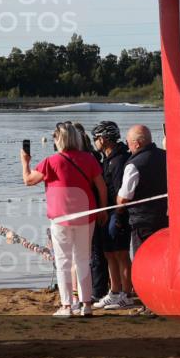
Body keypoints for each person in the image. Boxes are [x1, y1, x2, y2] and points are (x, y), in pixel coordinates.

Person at [21, 122, 107, 318]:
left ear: (58, 140)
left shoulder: (50, 161)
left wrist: (24, 161)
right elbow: (101, 186)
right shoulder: (88, 159)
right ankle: (86, 304)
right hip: (87, 216)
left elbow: (28, 180)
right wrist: (103, 210)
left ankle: (67, 305)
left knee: (63, 262)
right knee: (83, 260)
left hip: (61, 218)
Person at [91, 121, 136, 310]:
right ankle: (115, 291)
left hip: (118, 213)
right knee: (109, 253)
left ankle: (127, 293)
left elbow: (119, 191)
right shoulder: (108, 158)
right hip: (107, 213)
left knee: (121, 253)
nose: (95, 142)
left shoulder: (118, 160)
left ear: (103, 139)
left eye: (96, 139)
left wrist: (117, 217)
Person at [116, 125, 168, 255]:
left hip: (142, 223)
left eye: (128, 142)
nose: (127, 146)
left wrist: (118, 208)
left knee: (143, 257)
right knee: (161, 256)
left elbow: (123, 198)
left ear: (137, 144)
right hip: (165, 219)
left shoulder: (134, 165)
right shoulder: (166, 156)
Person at [74, 122, 109, 301]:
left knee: (94, 251)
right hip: (90, 206)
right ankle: (94, 287)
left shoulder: (88, 158)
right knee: (91, 251)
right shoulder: (92, 156)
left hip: (90, 208)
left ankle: (97, 289)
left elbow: (98, 185)